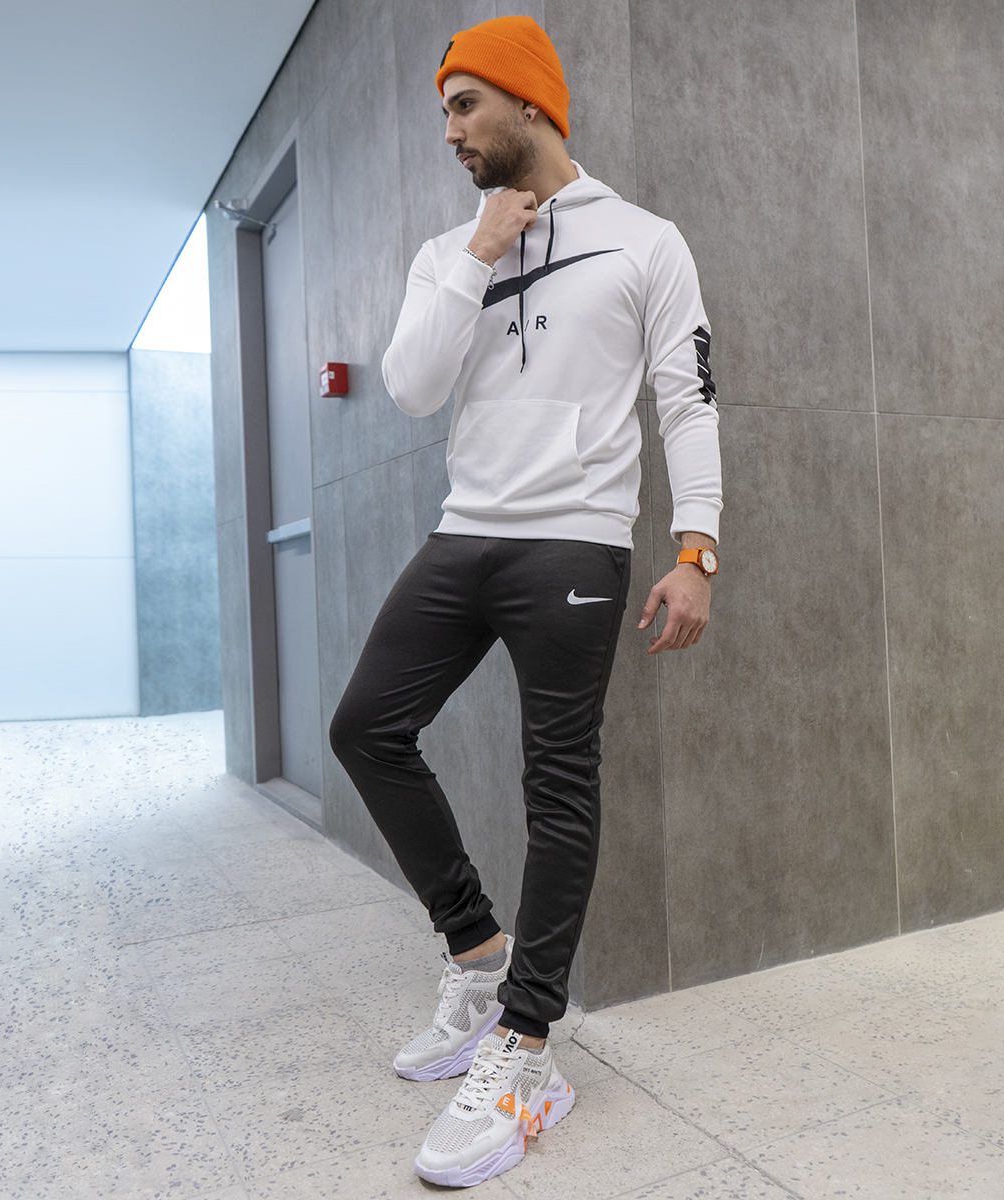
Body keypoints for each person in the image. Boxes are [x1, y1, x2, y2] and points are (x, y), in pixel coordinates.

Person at [328, 15, 721, 1188]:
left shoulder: (645, 242)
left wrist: (697, 550)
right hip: (466, 535)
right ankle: (478, 953)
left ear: (529, 103)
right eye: (445, 111)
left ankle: (528, 1047)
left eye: (465, 106)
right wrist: (480, 251)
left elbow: (688, 401)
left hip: (575, 544)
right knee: (366, 727)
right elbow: (410, 388)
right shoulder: (448, 251)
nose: (450, 131)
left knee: (558, 782)